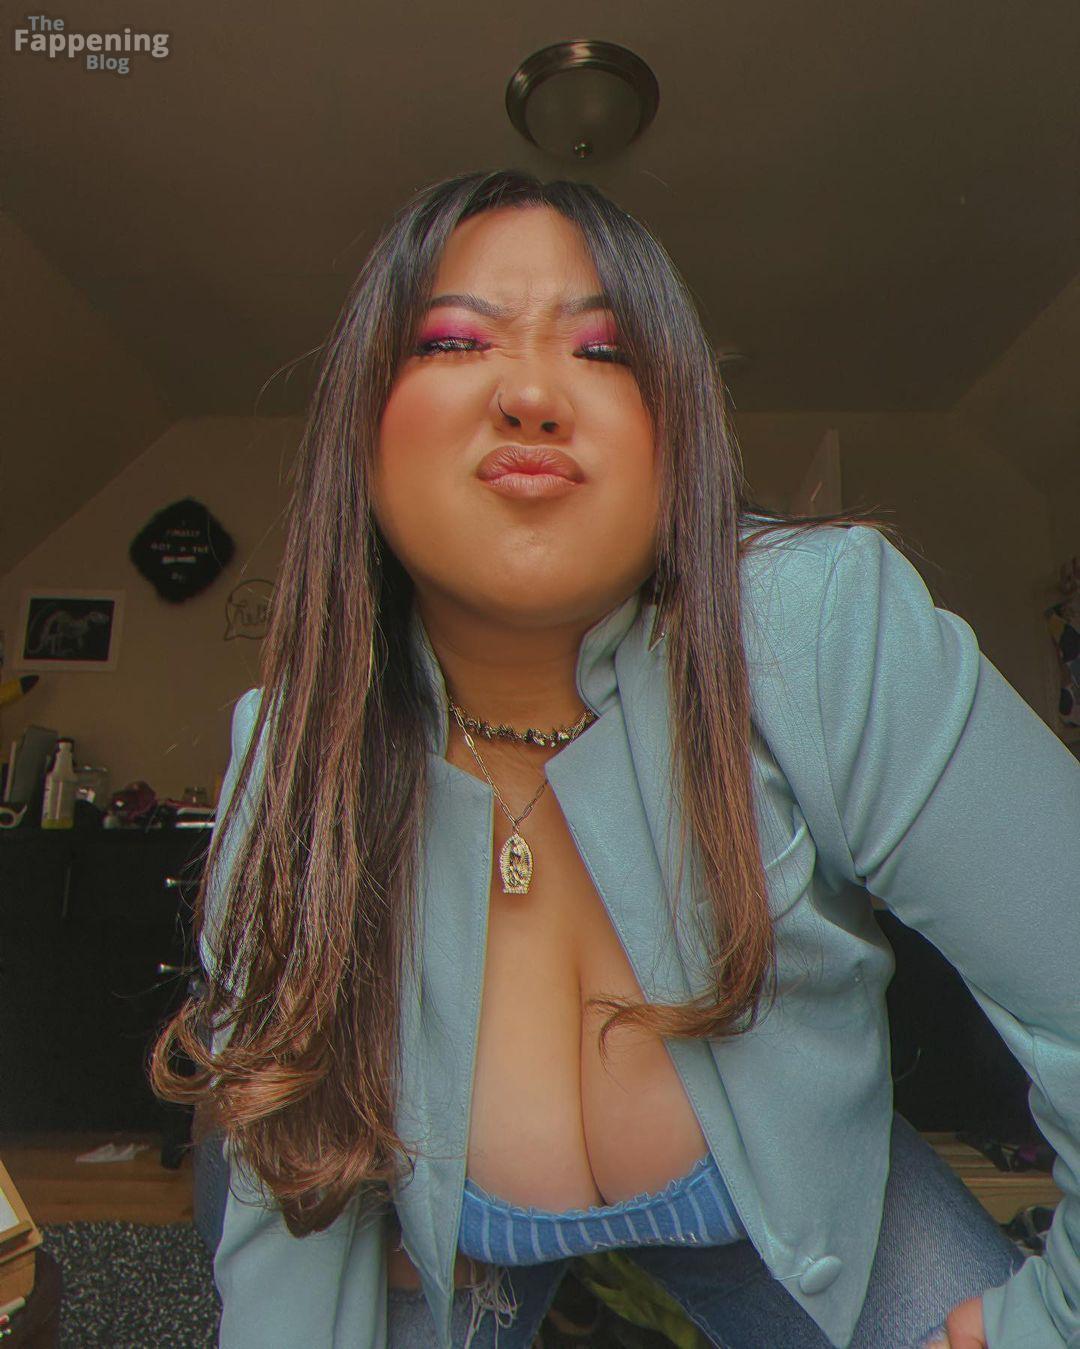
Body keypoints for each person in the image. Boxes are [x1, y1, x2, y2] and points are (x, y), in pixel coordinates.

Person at [152, 169, 1080, 1349]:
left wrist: (1055, 1318)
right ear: (362, 430)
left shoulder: (819, 626)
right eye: (454, 340)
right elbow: (280, 1174)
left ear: (676, 433)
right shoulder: (291, 742)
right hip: (455, 1229)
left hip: (792, 1198)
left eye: (603, 351)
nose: (533, 393)